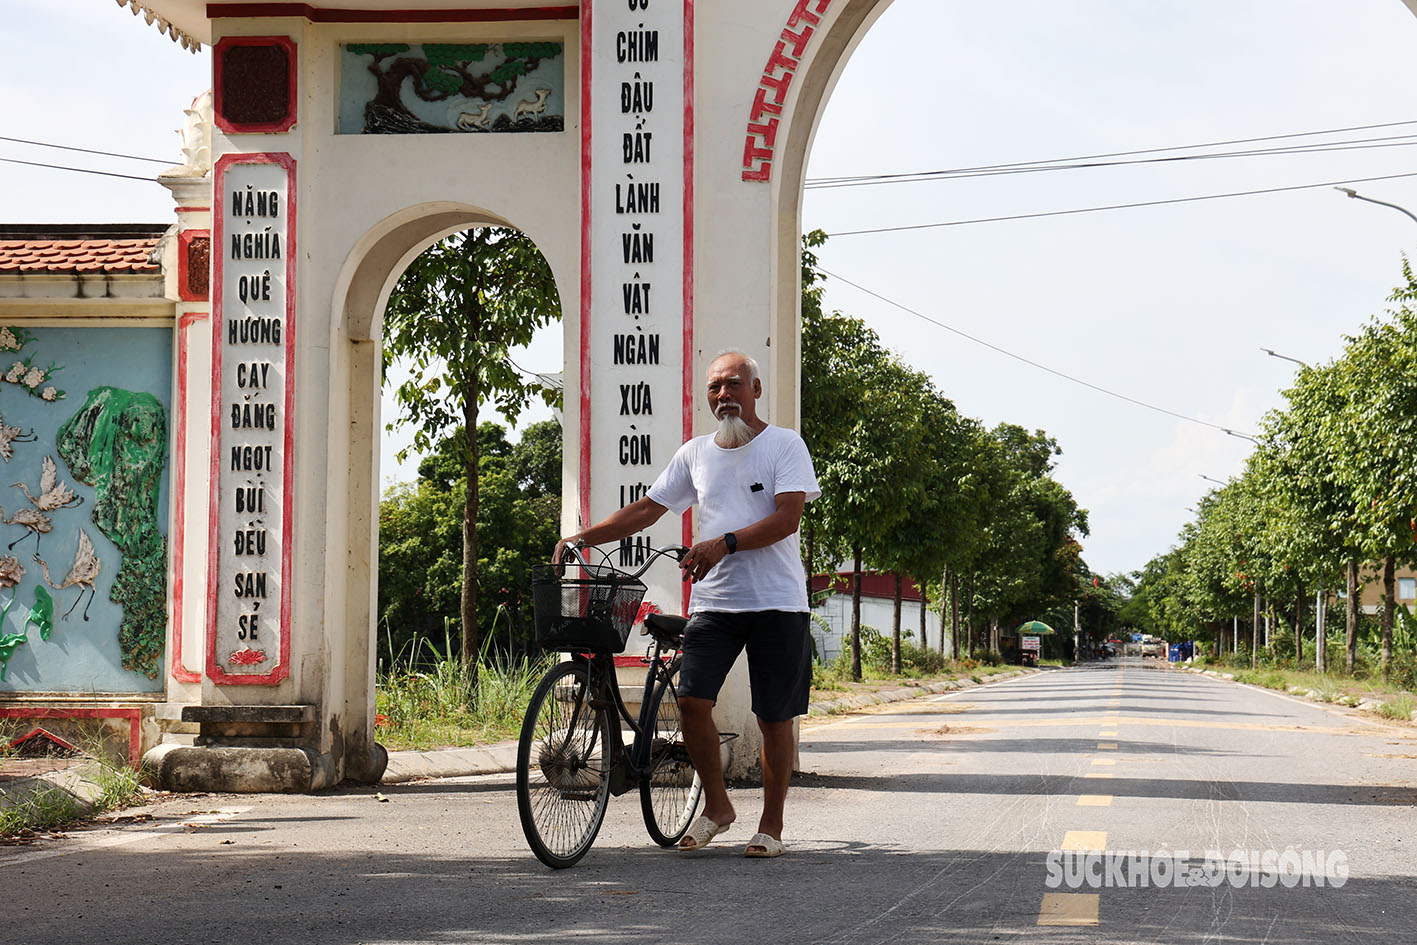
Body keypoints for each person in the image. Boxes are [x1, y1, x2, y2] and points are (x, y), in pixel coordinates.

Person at [553, 349, 820, 858]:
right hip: (715, 603)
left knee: (773, 717)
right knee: (693, 702)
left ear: (756, 390)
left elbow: (788, 519)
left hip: (778, 603)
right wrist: (585, 536)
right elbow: (649, 509)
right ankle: (718, 808)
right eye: (715, 388)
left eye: (735, 385)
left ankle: (772, 826)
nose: (725, 396)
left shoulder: (785, 445)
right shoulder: (696, 453)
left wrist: (724, 543)